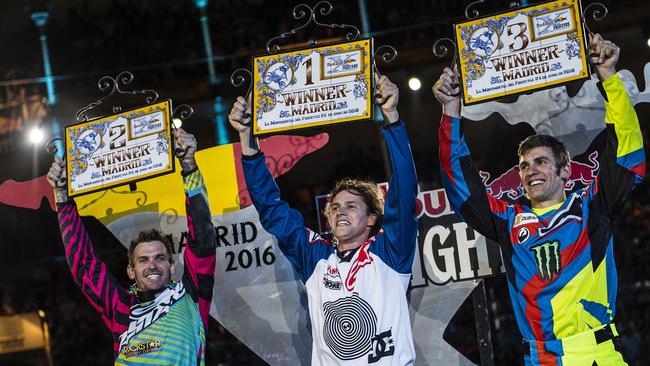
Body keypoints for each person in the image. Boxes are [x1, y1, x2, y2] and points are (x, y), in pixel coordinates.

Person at [434, 33, 645, 365]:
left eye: (541, 162)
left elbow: (627, 155)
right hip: (539, 358)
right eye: (523, 166)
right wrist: (450, 111)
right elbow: (462, 186)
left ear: (564, 172)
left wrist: (608, 77)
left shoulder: (592, 207)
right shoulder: (508, 218)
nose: (530, 170)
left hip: (597, 354)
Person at [228, 75, 418, 365]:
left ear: (371, 219)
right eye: (335, 207)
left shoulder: (389, 253)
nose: (340, 211)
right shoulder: (316, 255)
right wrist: (247, 138)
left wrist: (391, 117)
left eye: (352, 206)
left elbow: (404, 191)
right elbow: (270, 208)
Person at [46, 128, 216, 365]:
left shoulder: (190, 296)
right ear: (130, 271)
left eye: (159, 258)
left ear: (172, 266)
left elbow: (203, 238)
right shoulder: (120, 307)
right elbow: (85, 265)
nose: (152, 265)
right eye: (143, 260)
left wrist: (189, 166)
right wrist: (62, 196)